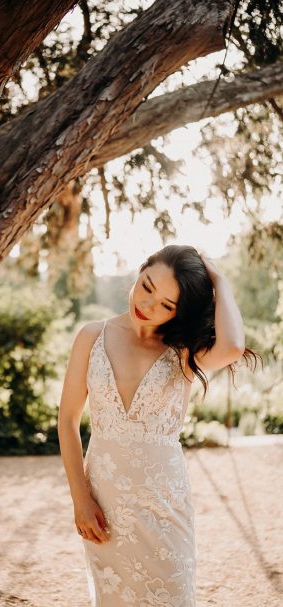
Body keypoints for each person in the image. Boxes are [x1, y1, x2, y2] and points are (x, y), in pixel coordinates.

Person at [57, 244, 258, 607]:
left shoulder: (182, 350)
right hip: (105, 500)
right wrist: (80, 499)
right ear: (141, 270)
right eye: (147, 286)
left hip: (165, 505)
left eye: (167, 304)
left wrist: (220, 280)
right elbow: (68, 421)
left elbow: (232, 346)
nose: (148, 305)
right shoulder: (91, 337)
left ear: (180, 312)